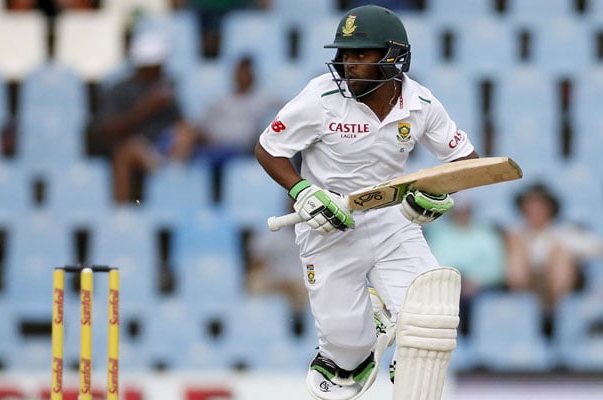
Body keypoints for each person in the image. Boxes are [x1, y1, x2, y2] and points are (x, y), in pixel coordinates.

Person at [254, 5, 478, 400]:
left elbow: (467, 163)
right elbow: (268, 148)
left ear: (392, 56)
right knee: (346, 361)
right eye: (345, 54)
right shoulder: (319, 97)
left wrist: (439, 192)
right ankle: (366, 330)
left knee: (429, 317)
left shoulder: (420, 104)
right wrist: (303, 192)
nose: (348, 64)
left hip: (393, 222)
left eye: (361, 54)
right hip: (329, 225)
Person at [91, 32, 196, 203]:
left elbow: (180, 122)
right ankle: (123, 213)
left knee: (186, 131)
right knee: (128, 151)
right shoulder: (119, 90)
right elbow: (108, 129)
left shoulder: (166, 86)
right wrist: (147, 108)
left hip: (164, 145)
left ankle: (172, 181)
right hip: (135, 144)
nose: (160, 68)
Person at [505, 182, 603, 316]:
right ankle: (519, 308)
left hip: (556, 289)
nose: (535, 210)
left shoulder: (563, 233)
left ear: (550, 208)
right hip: (525, 286)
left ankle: (557, 312)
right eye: (530, 205)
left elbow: (600, 247)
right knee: (516, 246)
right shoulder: (516, 234)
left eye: (540, 205)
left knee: (560, 252)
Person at [196, 55, 281, 201]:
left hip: (244, 147)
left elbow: (286, 112)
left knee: (214, 157)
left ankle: (217, 196)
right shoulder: (220, 101)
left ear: (252, 75)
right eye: (238, 72)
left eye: (245, 72)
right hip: (215, 145)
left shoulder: (264, 99)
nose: (241, 77)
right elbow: (203, 126)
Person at [424, 192, 507, 336]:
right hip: (448, 286)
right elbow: (435, 264)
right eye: (458, 211)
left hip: (480, 288)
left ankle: (472, 339)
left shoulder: (486, 233)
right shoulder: (438, 233)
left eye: (466, 210)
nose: (462, 214)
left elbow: (496, 268)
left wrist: (477, 281)